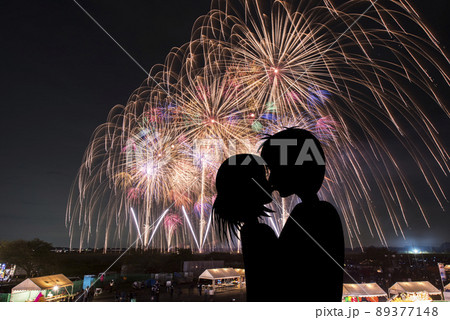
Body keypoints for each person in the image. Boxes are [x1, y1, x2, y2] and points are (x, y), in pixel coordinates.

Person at [260, 128, 344, 301]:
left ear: (293, 169)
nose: (271, 181)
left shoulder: (311, 215)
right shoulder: (321, 213)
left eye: (274, 169)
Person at [213, 154, 277, 301]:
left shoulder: (248, 231)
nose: (270, 183)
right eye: (262, 177)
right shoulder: (261, 233)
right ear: (248, 186)